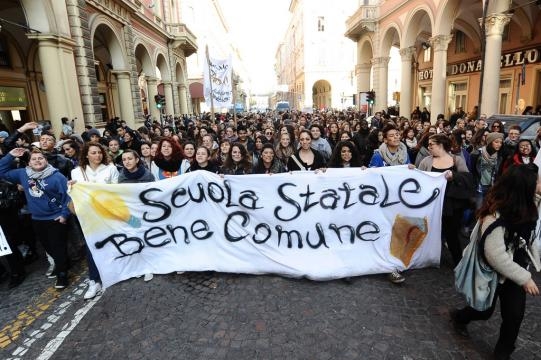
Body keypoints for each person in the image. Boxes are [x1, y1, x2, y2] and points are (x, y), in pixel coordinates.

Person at [450, 164, 540, 360]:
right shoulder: (494, 215)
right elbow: (495, 255)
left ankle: (502, 354)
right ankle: (459, 317)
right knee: (483, 311)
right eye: (537, 183)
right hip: (493, 272)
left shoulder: (530, 205)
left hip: (516, 270)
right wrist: (525, 278)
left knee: (514, 316)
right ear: (523, 188)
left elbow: (529, 237)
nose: (539, 185)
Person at [0, 148, 71, 289]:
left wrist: (64, 215)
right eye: (34, 159)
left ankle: (62, 274)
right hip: (37, 219)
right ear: (29, 163)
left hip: (55, 218)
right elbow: (1, 172)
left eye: (40, 158)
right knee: (48, 247)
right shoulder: (22, 174)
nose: (37, 161)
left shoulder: (57, 177)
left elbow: (67, 197)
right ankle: (63, 262)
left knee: (57, 246)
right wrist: (10, 156)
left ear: (46, 160)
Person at [72, 142, 119, 299]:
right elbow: (74, 194)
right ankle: (94, 280)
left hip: (108, 213)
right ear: (86, 155)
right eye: (93, 153)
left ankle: (115, 272)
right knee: (92, 246)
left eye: (99, 152)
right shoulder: (77, 172)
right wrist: (70, 188)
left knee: (112, 242)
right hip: (88, 216)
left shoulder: (111, 169)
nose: (97, 155)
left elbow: (117, 190)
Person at [418, 134, 472, 266]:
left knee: (452, 233)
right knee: (428, 230)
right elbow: (418, 179)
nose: (429, 147)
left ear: (441, 145)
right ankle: (425, 258)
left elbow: (467, 178)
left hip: (453, 204)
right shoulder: (426, 161)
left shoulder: (456, 160)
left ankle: (458, 261)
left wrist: (454, 176)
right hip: (432, 203)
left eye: (431, 144)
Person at [369, 124, 411, 284]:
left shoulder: (405, 153)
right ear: (385, 139)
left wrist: (411, 169)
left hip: (400, 200)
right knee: (386, 233)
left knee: (398, 231)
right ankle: (388, 267)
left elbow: (408, 175)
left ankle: (396, 260)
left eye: (397, 134)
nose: (396, 137)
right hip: (383, 202)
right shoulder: (378, 156)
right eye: (392, 135)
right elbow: (372, 179)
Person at [118, 149, 155, 282]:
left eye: (130, 159)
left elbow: (153, 195)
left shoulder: (148, 176)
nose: (127, 162)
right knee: (135, 239)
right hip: (130, 214)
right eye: (124, 160)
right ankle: (138, 267)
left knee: (146, 238)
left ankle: (148, 267)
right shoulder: (121, 177)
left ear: (137, 160)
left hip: (145, 213)